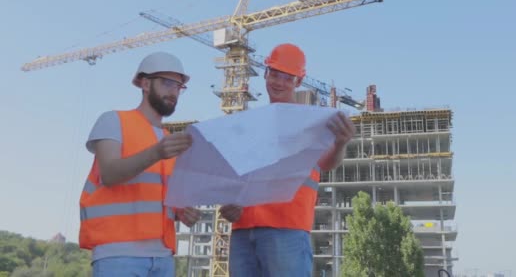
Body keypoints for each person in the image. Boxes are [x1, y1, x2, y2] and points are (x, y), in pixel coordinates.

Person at [220, 43, 356, 277]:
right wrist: (228, 202)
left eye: (287, 77)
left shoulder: (310, 122)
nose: (278, 82)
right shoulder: (251, 124)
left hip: (286, 230)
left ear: (298, 82)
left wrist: (341, 144)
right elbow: (239, 176)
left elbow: (326, 163)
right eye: (274, 74)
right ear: (265, 74)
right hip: (243, 230)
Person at [79, 52, 201, 276]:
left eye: (178, 86)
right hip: (118, 255)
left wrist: (181, 211)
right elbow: (110, 174)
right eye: (167, 83)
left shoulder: (168, 141)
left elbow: (156, 197)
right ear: (145, 83)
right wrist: (156, 152)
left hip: (163, 257)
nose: (173, 91)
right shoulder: (114, 120)